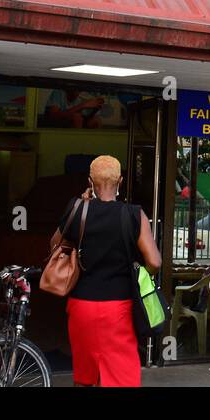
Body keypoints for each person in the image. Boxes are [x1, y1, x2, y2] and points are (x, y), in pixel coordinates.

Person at [58, 154, 162, 387]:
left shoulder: (76, 209)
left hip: (81, 306)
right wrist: (140, 272)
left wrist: (80, 208)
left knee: (84, 377)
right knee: (120, 379)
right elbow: (155, 262)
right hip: (118, 309)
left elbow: (56, 246)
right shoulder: (134, 214)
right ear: (121, 181)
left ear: (90, 182)